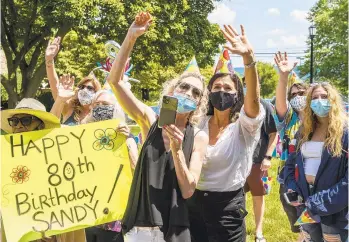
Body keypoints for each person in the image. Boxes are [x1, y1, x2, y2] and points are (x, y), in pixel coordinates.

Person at [107, 12, 209, 242]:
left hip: (175, 228)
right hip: (140, 226)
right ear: (172, 91)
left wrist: (177, 149)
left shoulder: (199, 137)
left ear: (198, 104)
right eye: (184, 87)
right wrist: (130, 37)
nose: (188, 93)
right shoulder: (150, 120)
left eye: (196, 93)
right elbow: (114, 82)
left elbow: (188, 190)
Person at [188, 26, 266, 242]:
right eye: (216, 87)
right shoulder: (197, 123)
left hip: (227, 210)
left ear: (237, 95)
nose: (221, 91)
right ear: (208, 93)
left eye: (228, 88)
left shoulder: (244, 127)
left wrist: (248, 60)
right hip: (192, 205)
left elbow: (253, 102)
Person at [0, 98, 87, 242]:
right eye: (14, 121)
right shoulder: (6, 155)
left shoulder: (59, 153)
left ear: (40, 125)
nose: (19, 125)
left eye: (26, 120)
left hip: (52, 233)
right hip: (17, 233)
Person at [284, 82, 348, 242]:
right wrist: (292, 188)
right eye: (314, 97)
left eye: (324, 97)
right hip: (305, 204)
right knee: (309, 239)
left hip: (334, 209)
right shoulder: (303, 131)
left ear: (333, 100)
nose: (319, 101)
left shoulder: (345, 133)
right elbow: (290, 164)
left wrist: (318, 203)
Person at [84, 90, 138, 242]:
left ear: (115, 109)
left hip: (113, 217)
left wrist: (126, 141)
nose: (100, 107)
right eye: (97, 104)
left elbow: (136, 169)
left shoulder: (125, 138)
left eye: (105, 105)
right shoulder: (83, 136)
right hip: (87, 215)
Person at [273, 51, 309, 240]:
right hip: (289, 180)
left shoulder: (320, 120)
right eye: (293, 94)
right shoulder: (287, 119)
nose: (297, 97)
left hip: (314, 179)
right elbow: (280, 102)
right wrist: (283, 76)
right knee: (300, 226)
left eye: (301, 93)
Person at [45, 38, 101, 125]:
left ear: (97, 92)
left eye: (89, 88)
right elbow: (54, 85)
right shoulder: (69, 108)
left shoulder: (101, 113)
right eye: (82, 87)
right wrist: (49, 60)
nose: (84, 90)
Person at [244, 98, 277, 242]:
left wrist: (268, 157)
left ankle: (258, 232)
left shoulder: (265, 105)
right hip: (238, 162)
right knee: (238, 197)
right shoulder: (237, 103)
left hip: (259, 162)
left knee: (259, 197)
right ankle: (240, 228)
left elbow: (274, 134)